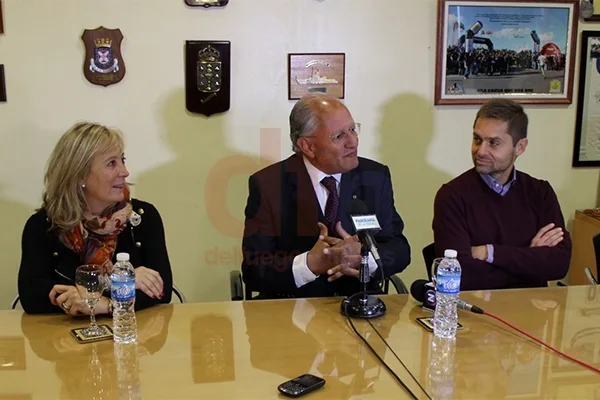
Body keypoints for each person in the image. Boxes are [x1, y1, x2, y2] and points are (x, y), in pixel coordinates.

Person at [241, 92, 411, 299]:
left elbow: (400, 249)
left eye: (352, 129)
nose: (353, 142)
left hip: (359, 302)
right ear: (308, 146)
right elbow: (254, 268)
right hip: (291, 308)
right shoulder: (268, 184)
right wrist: (309, 264)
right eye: (339, 136)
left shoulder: (375, 176)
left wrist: (363, 258)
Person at [17, 122, 173, 315]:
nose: (125, 171)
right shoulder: (44, 225)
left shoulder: (143, 217)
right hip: (62, 340)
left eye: (122, 160)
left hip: (131, 335)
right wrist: (120, 283)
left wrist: (106, 305)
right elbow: (31, 295)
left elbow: (161, 290)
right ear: (80, 175)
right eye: (111, 163)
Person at [432, 98, 571, 291]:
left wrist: (488, 253)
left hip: (532, 310)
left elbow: (559, 264)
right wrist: (530, 259)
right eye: (477, 139)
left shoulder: (540, 192)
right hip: (475, 310)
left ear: (520, 147)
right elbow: (461, 275)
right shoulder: (452, 196)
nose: (481, 151)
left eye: (494, 143)